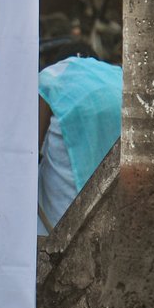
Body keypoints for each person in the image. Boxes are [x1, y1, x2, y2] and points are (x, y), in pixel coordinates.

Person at [37, 39, 121, 235]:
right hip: (115, 220)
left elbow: (29, 152)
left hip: (62, 223)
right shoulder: (116, 76)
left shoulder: (53, 76)